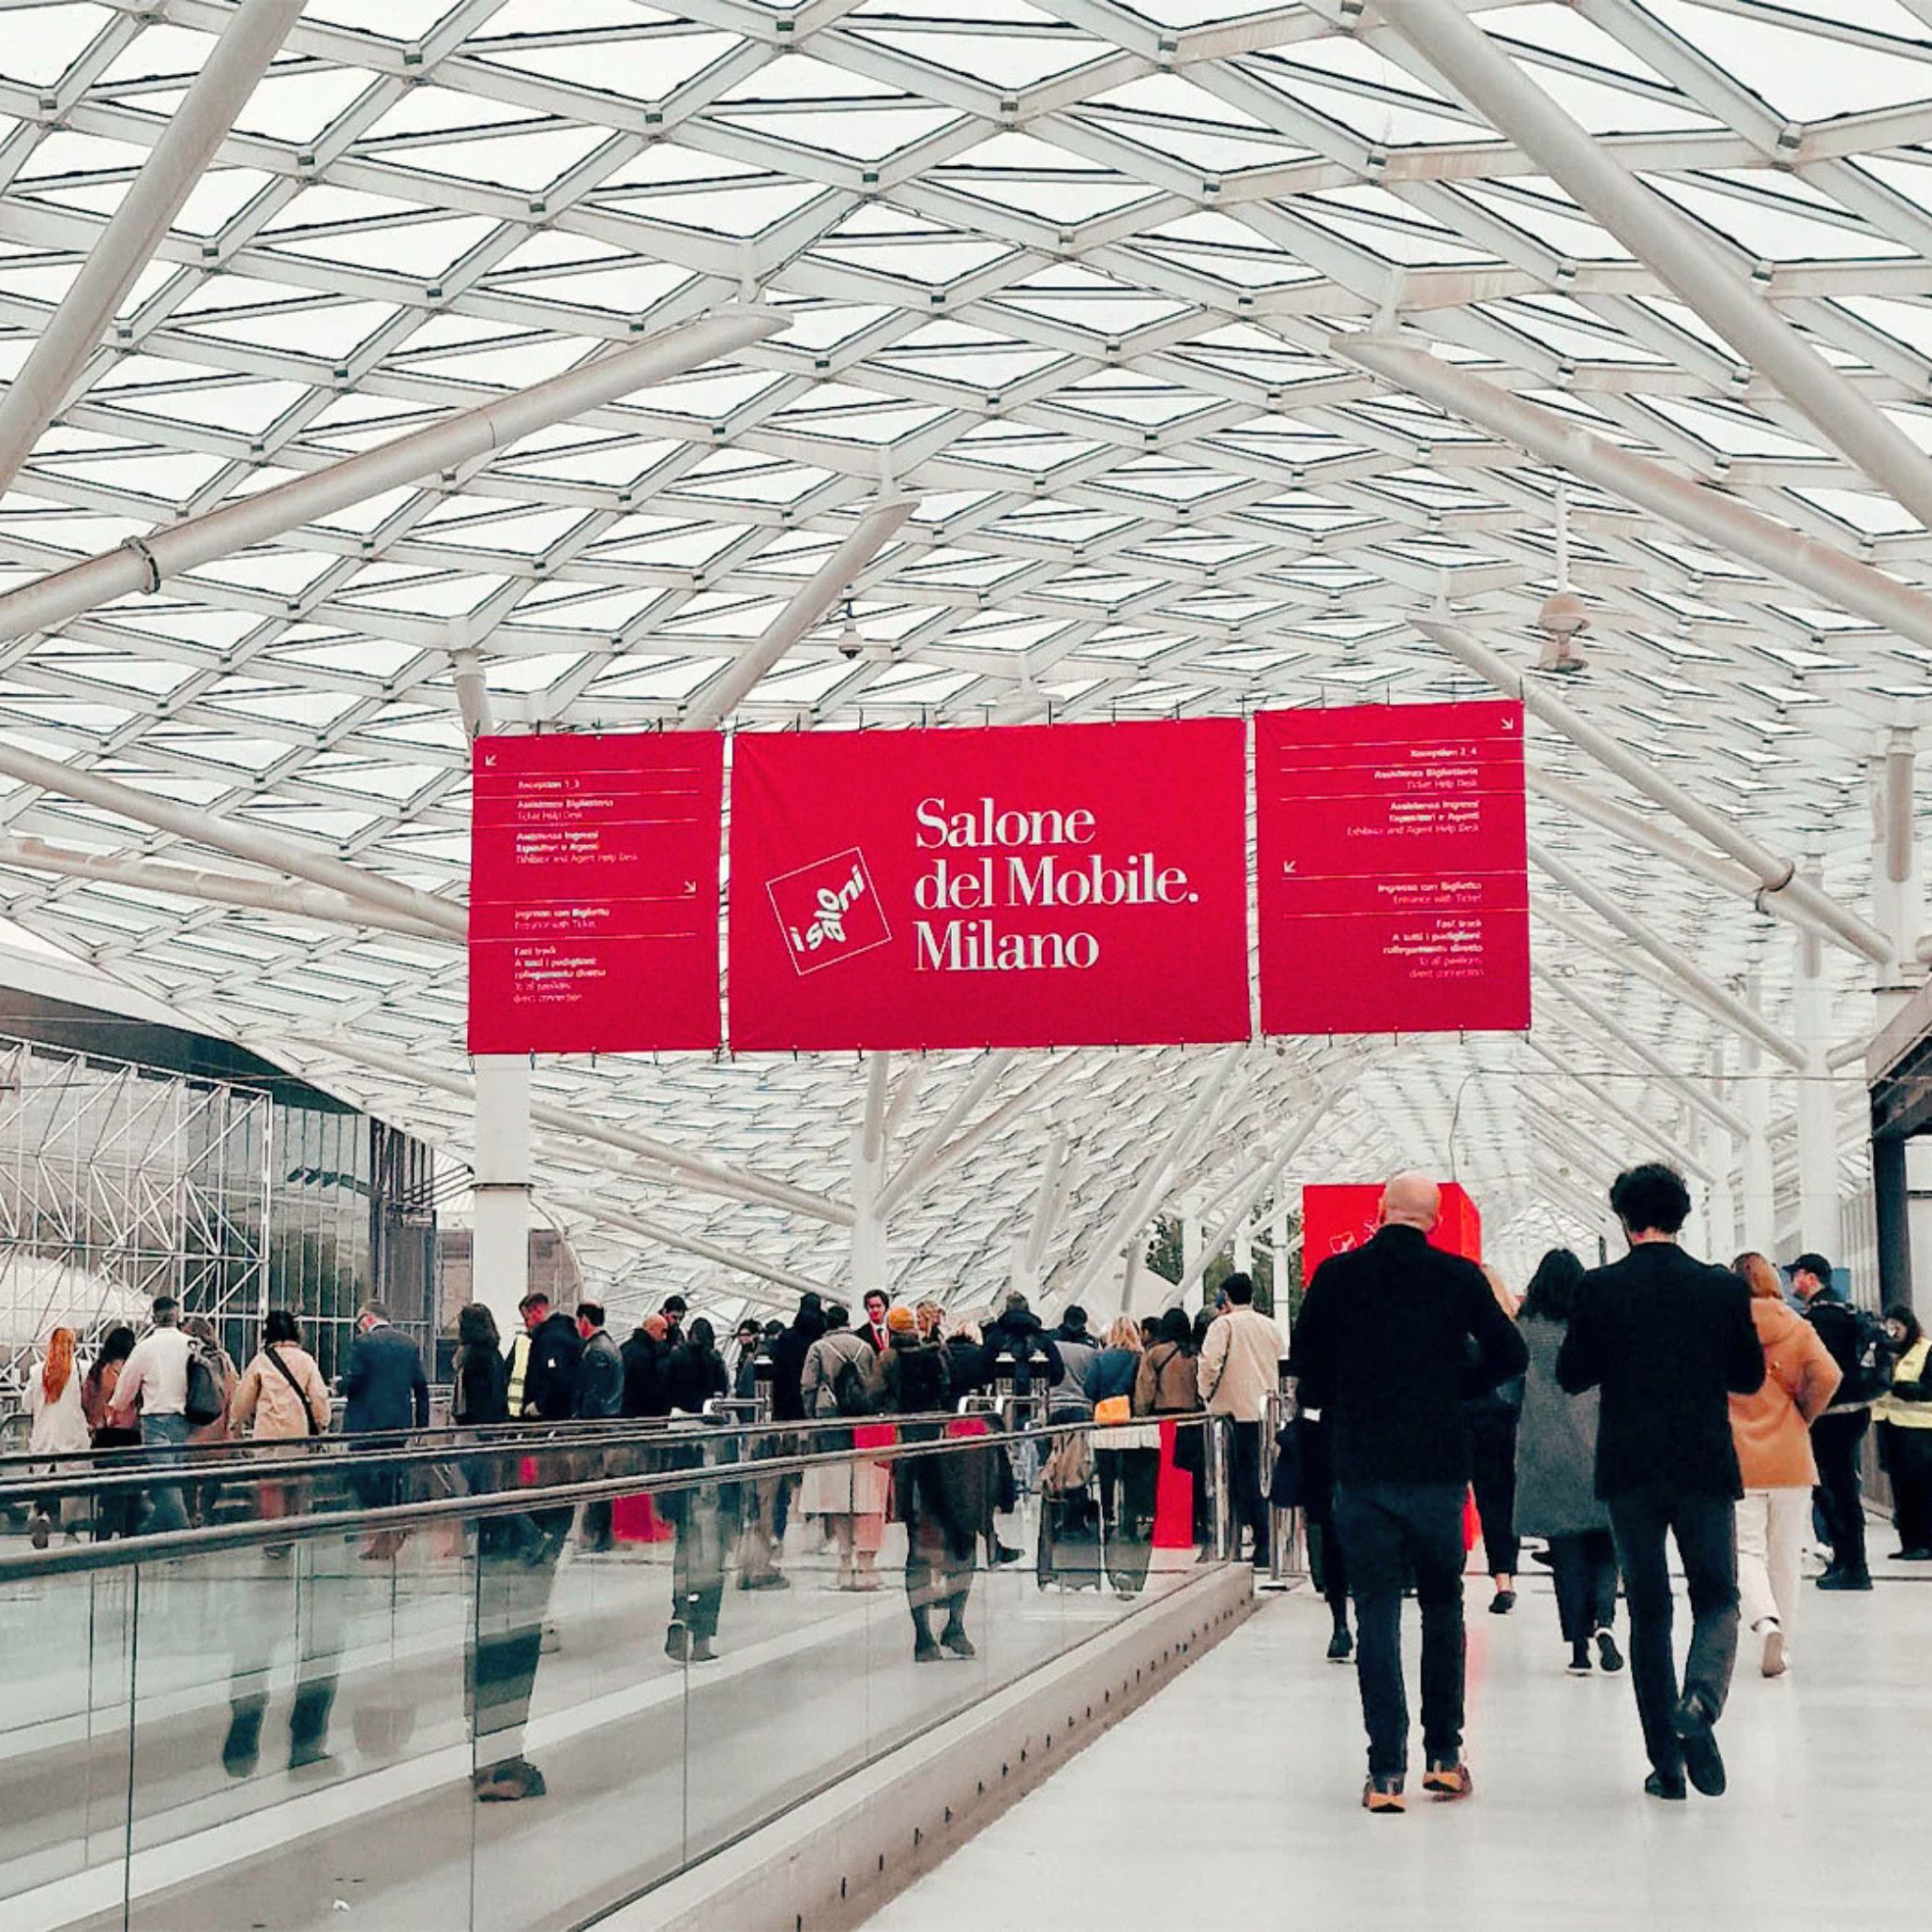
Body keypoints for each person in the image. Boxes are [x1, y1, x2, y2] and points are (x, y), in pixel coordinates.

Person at [1291, 1173, 1527, 1814]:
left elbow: (1305, 1365)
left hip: (1362, 1465)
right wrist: (1456, 1384)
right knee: (1444, 1607)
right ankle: (1445, 1757)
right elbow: (1510, 1353)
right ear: (1436, 1219)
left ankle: (1385, 1773)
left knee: (1376, 1614)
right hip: (1438, 1466)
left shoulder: (1336, 1278)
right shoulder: (1459, 1278)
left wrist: (1343, 1396)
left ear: (1380, 1211)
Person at [1559, 1165, 1764, 1802]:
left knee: (1649, 1611)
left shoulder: (1599, 1288)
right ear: (1682, 1217)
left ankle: (1666, 1767)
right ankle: (1701, 1700)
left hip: (1629, 1468)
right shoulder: (1720, 1289)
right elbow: (1750, 1376)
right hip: (1703, 1462)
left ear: (1623, 1218)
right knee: (1717, 1597)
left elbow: (1571, 1374)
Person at [1728, 1252, 1842, 1678]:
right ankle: (1784, 1645)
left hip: (1739, 1456)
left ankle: (1765, 1621)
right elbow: (1829, 1375)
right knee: (1785, 1557)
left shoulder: (1724, 1327)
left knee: (1745, 1550)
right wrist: (1803, 1414)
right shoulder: (1798, 1326)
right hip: (1791, 1456)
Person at [1512, 1249, 1621, 1676]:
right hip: (1599, 1442)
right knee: (1605, 1541)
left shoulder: (1525, 1329)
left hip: (1545, 1446)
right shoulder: (1596, 1324)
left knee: (1565, 1548)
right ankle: (1607, 1622)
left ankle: (1578, 1644)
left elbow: (1508, 1387)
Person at [1791, 1252, 1884, 1591]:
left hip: (1833, 1415)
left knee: (1836, 1488)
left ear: (1810, 1277)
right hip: (1854, 1410)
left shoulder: (1822, 1318)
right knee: (1840, 1487)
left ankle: (1853, 1565)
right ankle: (1848, 1561)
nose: (1792, 1283)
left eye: (1796, 1275)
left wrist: (1806, 1406)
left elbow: (1821, 1370)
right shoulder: (1846, 1311)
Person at [1197, 1273, 1285, 1566]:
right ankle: (1266, 1542)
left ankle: (1230, 1542)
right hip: (1264, 1413)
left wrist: (1205, 1394)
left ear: (1225, 1296)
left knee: (1230, 1482)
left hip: (1230, 1413)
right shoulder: (1270, 1326)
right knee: (1261, 1479)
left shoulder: (1223, 1325)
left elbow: (1210, 1364)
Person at [800, 1303, 888, 1589]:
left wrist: (813, 1415)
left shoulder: (819, 1347)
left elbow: (807, 1385)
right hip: (860, 1418)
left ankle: (844, 1559)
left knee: (837, 1486)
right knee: (862, 1485)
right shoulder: (864, 1347)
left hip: (830, 1417)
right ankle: (866, 1561)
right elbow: (875, 1384)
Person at [341, 1301, 430, 1561]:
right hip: (398, 1425)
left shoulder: (363, 1344)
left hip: (366, 1426)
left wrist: (339, 1386)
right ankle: (389, 1531)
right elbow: (421, 1388)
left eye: (359, 1321)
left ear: (368, 1318)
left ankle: (386, 1529)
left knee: (360, 1476)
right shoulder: (408, 1343)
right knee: (391, 1479)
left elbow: (355, 1382)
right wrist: (420, 1426)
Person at [229, 1309, 331, 1522]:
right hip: (298, 1435)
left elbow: (242, 1400)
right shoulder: (306, 1360)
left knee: (270, 1486)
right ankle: (292, 1531)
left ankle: (274, 1536)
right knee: (295, 1486)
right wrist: (322, 1426)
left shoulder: (261, 1361)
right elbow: (319, 1396)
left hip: (268, 1435)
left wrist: (235, 1424)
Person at [108, 1295, 196, 1534]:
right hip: (185, 1420)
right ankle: (155, 1533)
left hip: (155, 1421)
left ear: (154, 1317)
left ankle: (182, 1536)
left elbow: (125, 1388)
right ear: (177, 1315)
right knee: (171, 1480)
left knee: (166, 1482)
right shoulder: (191, 1345)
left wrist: (116, 1407)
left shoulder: (144, 1348)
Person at [1467, 1266, 1524, 1615]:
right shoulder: (1515, 1330)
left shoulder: (1464, 1334)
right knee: (1507, 1500)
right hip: (1512, 1423)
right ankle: (1507, 1576)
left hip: (1473, 1423)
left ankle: (1502, 1578)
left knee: (1486, 1502)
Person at [1876, 1306, 1932, 1561]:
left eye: (1898, 1325)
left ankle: (1925, 1543)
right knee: (1901, 1489)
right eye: (1889, 1325)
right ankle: (1909, 1542)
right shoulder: (1886, 1353)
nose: (1894, 1331)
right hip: (1891, 1428)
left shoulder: (1926, 1350)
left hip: (1919, 1431)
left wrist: (1911, 1390)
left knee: (1921, 1488)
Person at [26, 1327, 88, 1548]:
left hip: (44, 1439)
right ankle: (71, 1530)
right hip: (72, 1438)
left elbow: (27, 1405)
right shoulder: (82, 1369)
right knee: (71, 1487)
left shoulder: (36, 1371)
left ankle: (42, 1516)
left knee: (44, 1484)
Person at [574, 1303, 625, 1554]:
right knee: (601, 1481)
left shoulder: (596, 1352)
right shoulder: (610, 1346)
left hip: (597, 1426)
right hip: (608, 1423)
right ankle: (599, 1534)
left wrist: (582, 1421)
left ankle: (597, 1535)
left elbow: (592, 1393)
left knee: (596, 1481)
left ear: (584, 1320)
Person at [81, 1326, 140, 1541]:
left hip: (103, 1437)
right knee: (131, 1489)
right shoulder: (130, 1370)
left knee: (106, 1489)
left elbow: (86, 1401)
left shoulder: (96, 1371)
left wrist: (95, 1420)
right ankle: (129, 1536)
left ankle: (104, 1535)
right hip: (129, 1436)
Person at [182, 1316, 238, 1529]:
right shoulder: (224, 1360)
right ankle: (204, 1513)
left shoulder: (188, 1357)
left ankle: (190, 1516)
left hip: (193, 1428)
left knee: (188, 1478)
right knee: (213, 1477)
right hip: (218, 1430)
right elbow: (234, 1391)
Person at [518, 1293, 583, 1423]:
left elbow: (556, 1376)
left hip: (548, 1416)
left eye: (527, 1319)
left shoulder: (550, 1340)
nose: (527, 1325)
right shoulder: (566, 1333)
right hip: (562, 1413)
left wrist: (539, 1405)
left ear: (538, 1311)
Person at [665, 1316, 729, 1416]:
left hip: (680, 1411)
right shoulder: (714, 1358)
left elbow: (667, 1384)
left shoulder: (677, 1355)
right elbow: (723, 1388)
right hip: (707, 1411)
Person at [622, 1315, 672, 1419]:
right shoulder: (646, 1354)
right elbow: (647, 1389)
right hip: (640, 1414)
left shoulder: (627, 1347)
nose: (664, 1337)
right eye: (662, 1331)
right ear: (652, 1328)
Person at [859, 1288, 891, 1355]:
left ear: (886, 1307)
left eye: (878, 1306)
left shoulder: (896, 1332)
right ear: (866, 1308)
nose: (875, 1310)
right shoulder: (859, 1335)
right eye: (871, 1307)